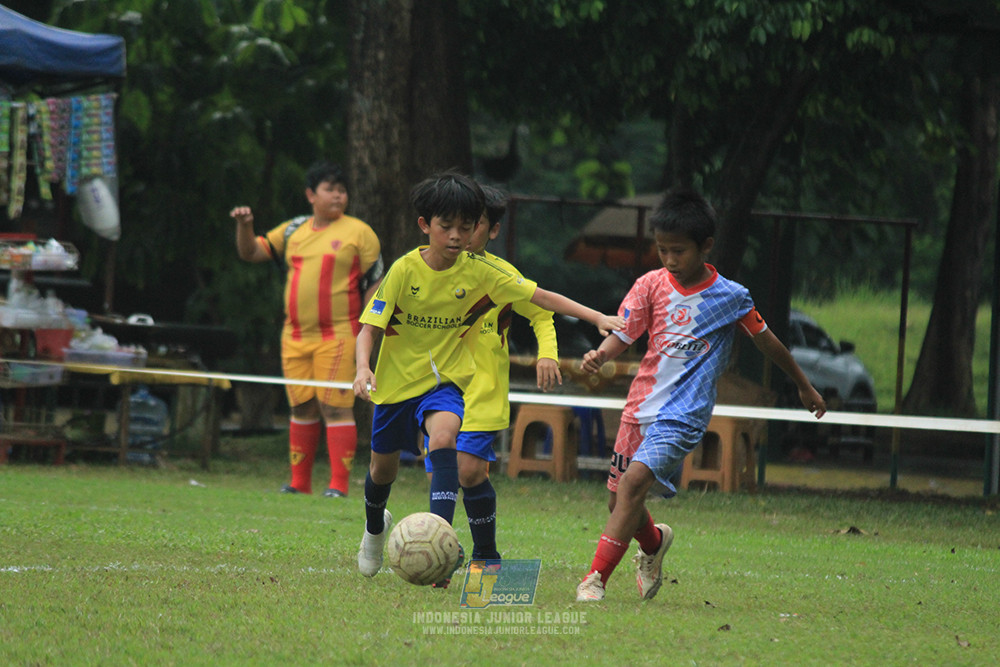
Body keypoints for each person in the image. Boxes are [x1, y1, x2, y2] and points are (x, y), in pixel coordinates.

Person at [353, 171, 623, 580]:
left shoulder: (482, 272)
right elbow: (369, 327)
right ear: (426, 226)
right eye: (448, 226)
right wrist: (362, 367)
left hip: (444, 384)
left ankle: (440, 548)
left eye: (467, 226)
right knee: (381, 472)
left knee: (444, 439)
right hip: (394, 385)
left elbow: (542, 299)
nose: (458, 236)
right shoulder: (405, 270)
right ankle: (374, 530)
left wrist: (597, 315)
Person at [574, 187, 827, 602]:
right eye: (662, 250)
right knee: (617, 500)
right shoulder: (650, 285)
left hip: (684, 412)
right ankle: (653, 544)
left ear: (705, 247)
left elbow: (768, 342)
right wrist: (600, 355)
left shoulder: (729, 296)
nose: (670, 260)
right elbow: (625, 331)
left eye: (679, 251)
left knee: (633, 484)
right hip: (640, 407)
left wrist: (802, 383)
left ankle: (594, 580)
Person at [422, 184, 561, 579]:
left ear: (492, 230)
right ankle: (446, 554)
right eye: (456, 223)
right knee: (440, 475)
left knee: (467, 472)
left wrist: (547, 352)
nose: (463, 233)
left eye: (474, 224)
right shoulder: (429, 268)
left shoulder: (501, 276)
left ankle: (481, 556)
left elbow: (541, 313)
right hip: (435, 386)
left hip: (483, 390)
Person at [232, 161, 383, 498]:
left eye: (342, 190)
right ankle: (299, 483)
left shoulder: (360, 233)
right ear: (311, 195)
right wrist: (246, 225)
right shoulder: (293, 230)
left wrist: (366, 329)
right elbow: (251, 251)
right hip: (295, 336)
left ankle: (339, 486)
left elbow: (377, 282)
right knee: (301, 406)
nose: (339, 196)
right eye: (330, 189)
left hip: (340, 334)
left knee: (335, 406)